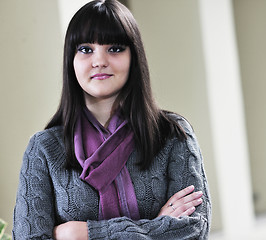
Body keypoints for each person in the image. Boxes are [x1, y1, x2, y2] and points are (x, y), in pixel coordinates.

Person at [12, 0, 211, 239]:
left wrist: (84, 233)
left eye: (115, 48)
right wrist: (157, 226)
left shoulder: (173, 134)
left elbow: (194, 230)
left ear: (133, 57)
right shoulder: (43, 149)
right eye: (86, 49)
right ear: (70, 60)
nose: (99, 61)